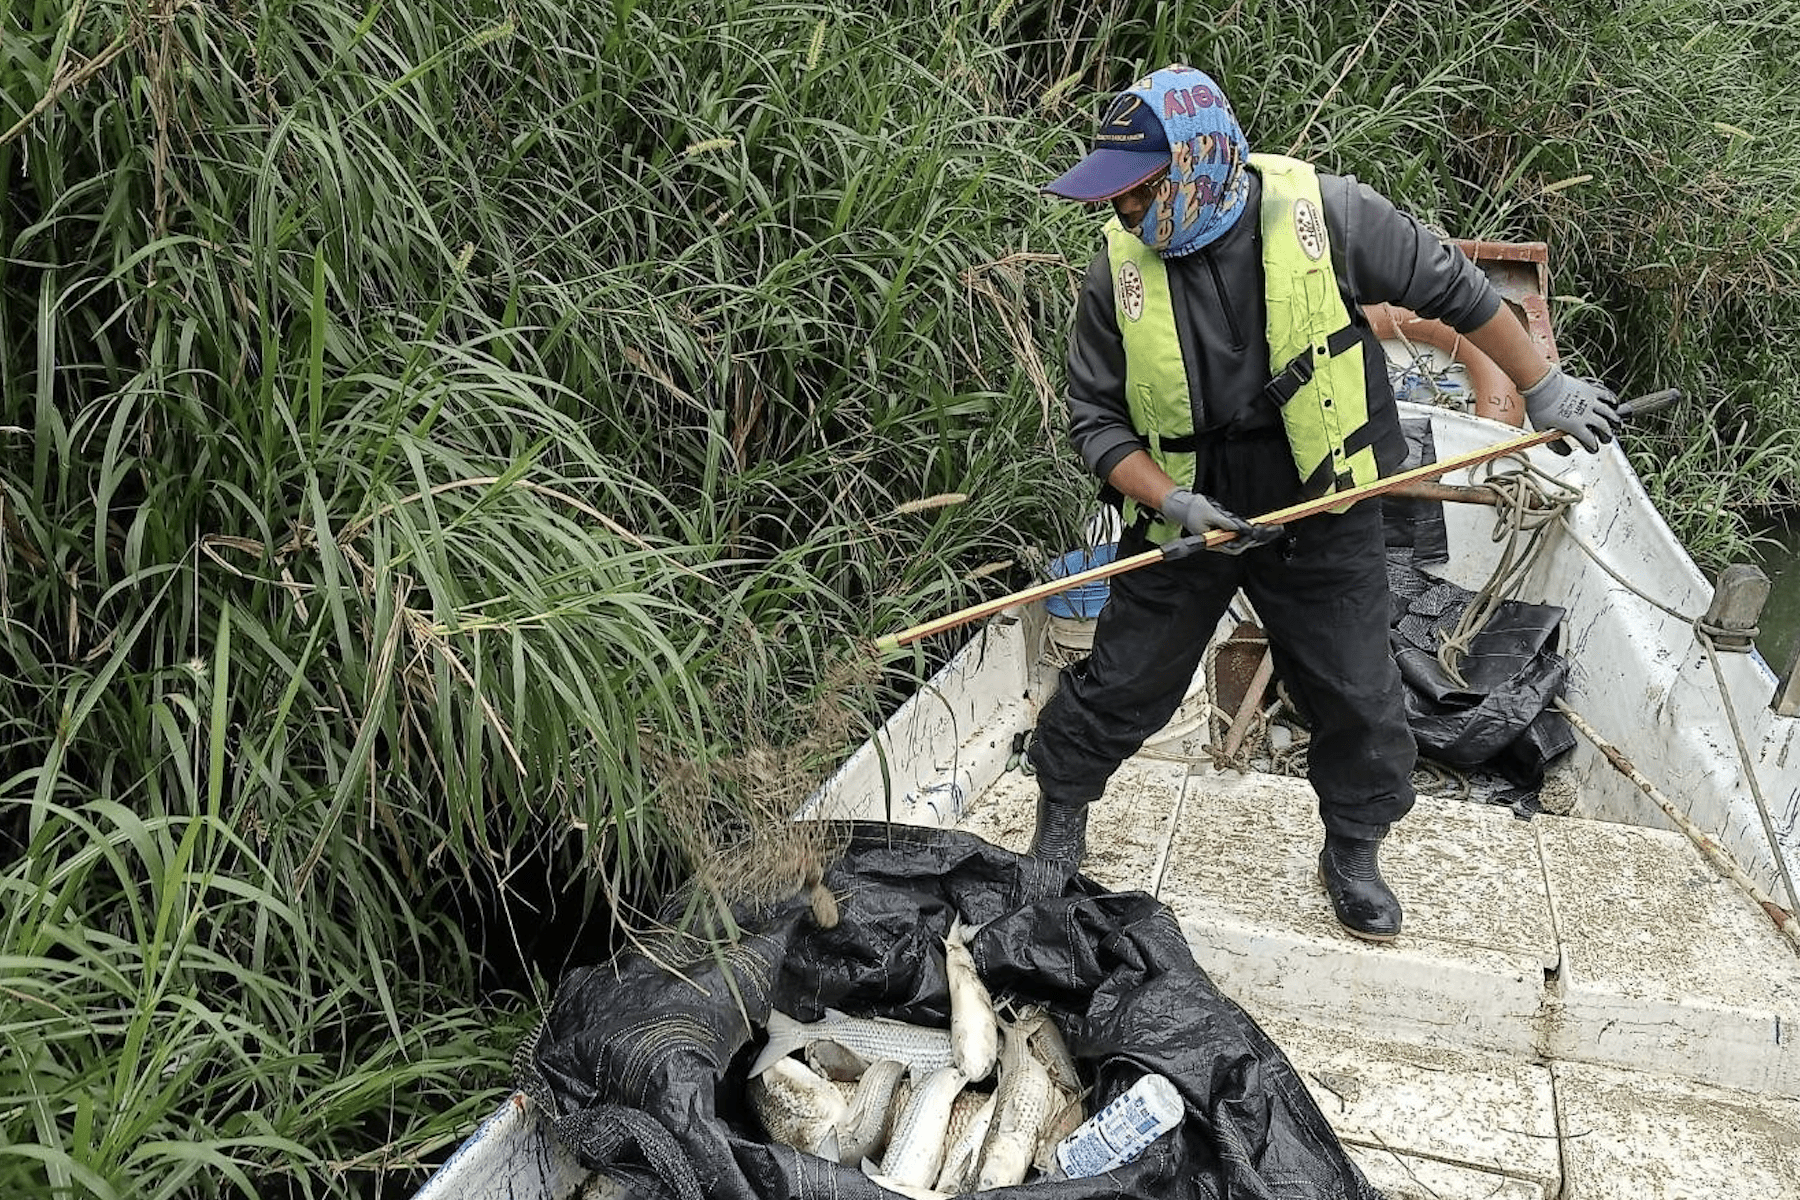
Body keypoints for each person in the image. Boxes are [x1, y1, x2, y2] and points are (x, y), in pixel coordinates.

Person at [1023, 64, 1619, 939]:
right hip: (1189, 511)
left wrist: (1540, 383)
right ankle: (1061, 816)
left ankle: (1353, 846)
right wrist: (1171, 499)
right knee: (1125, 679)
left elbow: (1453, 285)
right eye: (1116, 202)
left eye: (1140, 195)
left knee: (1356, 693)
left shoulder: (1326, 214)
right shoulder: (1115, 275)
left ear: (1195, 166)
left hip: (1322, 502)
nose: (1126, 216)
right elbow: (1095, 422)